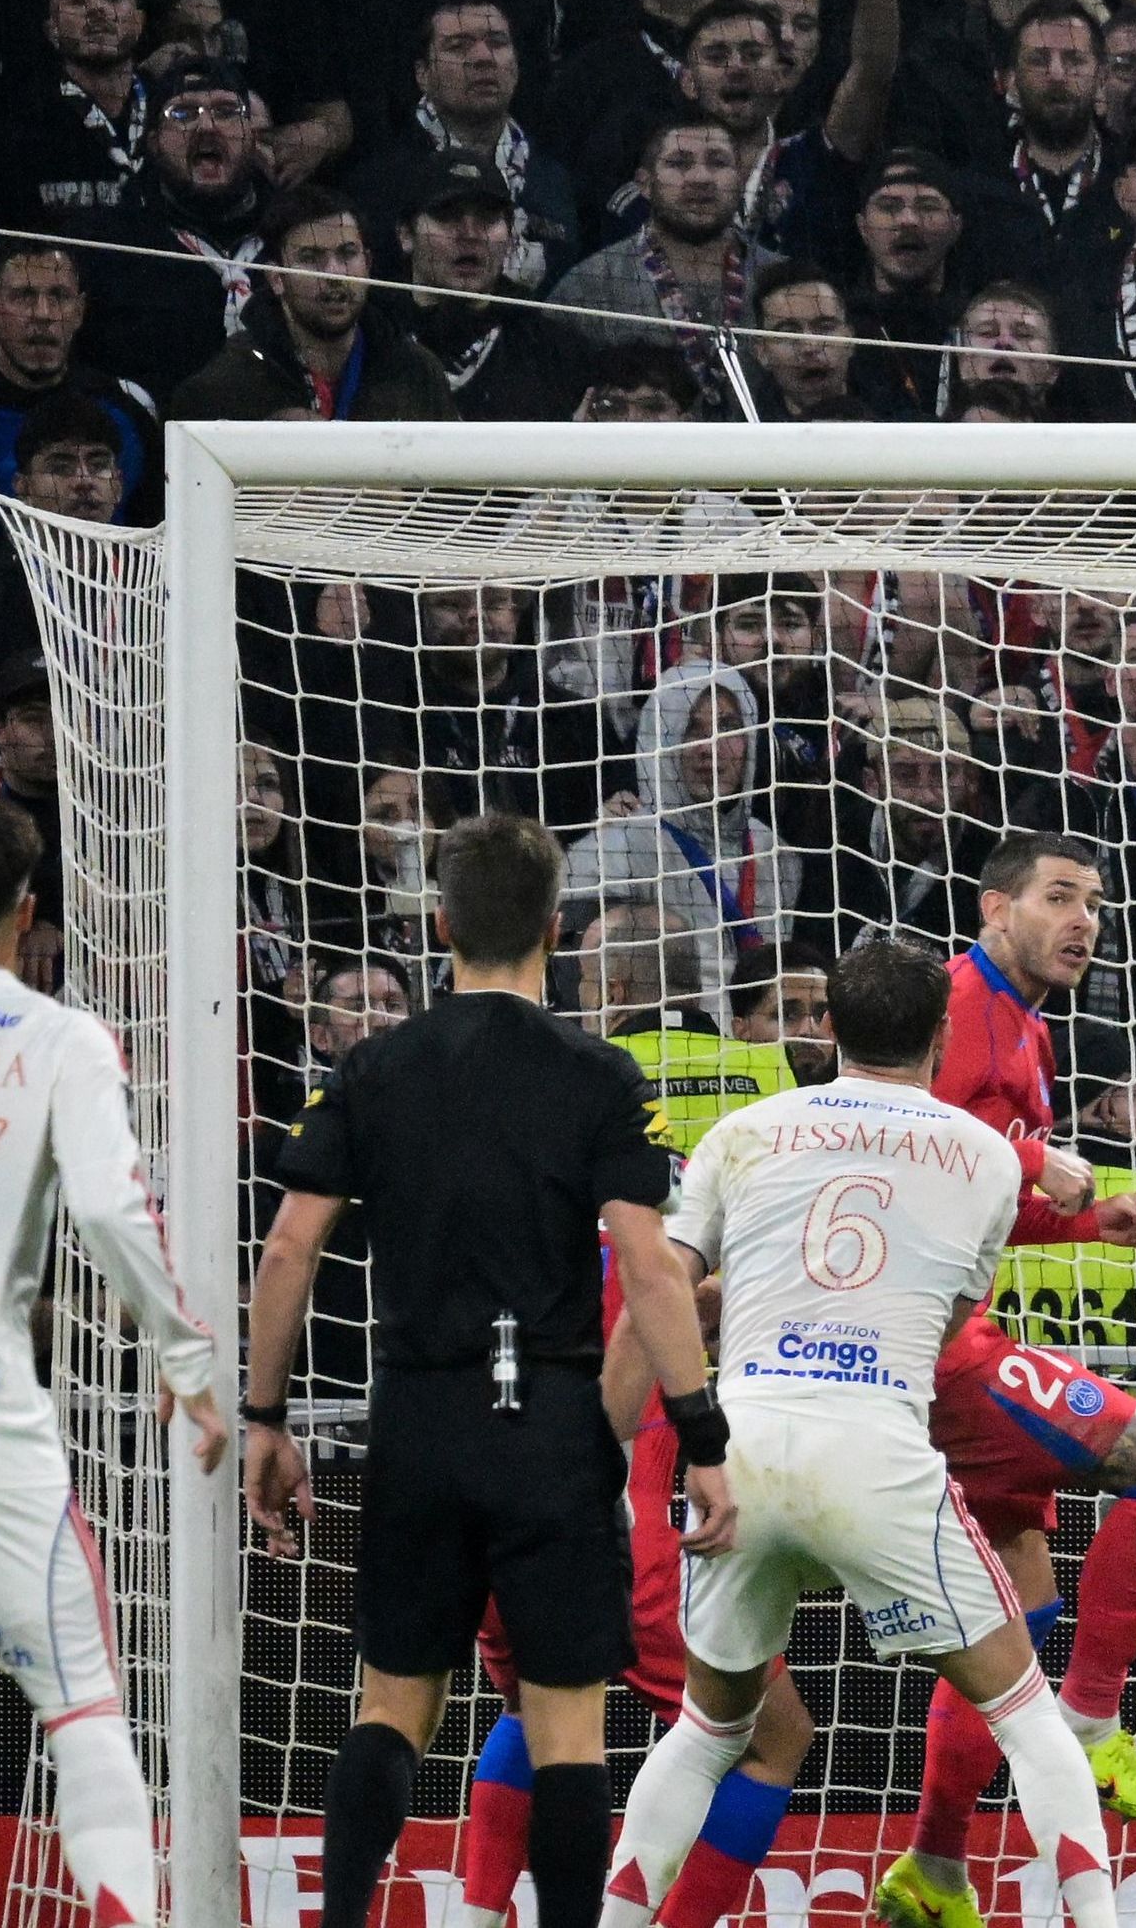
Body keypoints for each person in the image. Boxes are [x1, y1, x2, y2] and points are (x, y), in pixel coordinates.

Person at [244, 816, 733, 1928]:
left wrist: (266, 1413)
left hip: (416, 1410)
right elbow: (650, 1270)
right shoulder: (598, 1072)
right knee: (567, 1720)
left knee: (391, 1701)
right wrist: (701, 1440)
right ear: (555, 930)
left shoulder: (372, 1066)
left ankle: (344, 1918)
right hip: (551, 1421)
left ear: (440, 925)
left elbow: (286, 1248)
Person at [603, 943, 1129, 1928]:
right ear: (939, 1035)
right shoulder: (981, 1158)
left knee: (708, 1730)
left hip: (743, 1448)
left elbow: (660, 1288)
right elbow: (953, 1309)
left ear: (827, 1027)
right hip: (875, 1450)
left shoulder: (741, 1133)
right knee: (1026, 1717)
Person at [871, 839, 1136, 1928]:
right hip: (929, 1345)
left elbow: (983, 1197)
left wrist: (1086, 1215)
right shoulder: (961, 1000)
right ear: (994, 908)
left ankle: (933, 1867)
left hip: (938, 1333)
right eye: (1059, 897)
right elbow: (905, 1135)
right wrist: (1033, 1165)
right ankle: (1097, 1723)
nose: (1084, 920)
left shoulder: (1031, 1023)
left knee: (1014, 1613)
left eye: (1096, 904)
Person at [0, 797, 220, 1928]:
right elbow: (108, 1204)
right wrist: (186, 1356)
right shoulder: (60, 1037)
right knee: (84, 1704)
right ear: (27, 911)